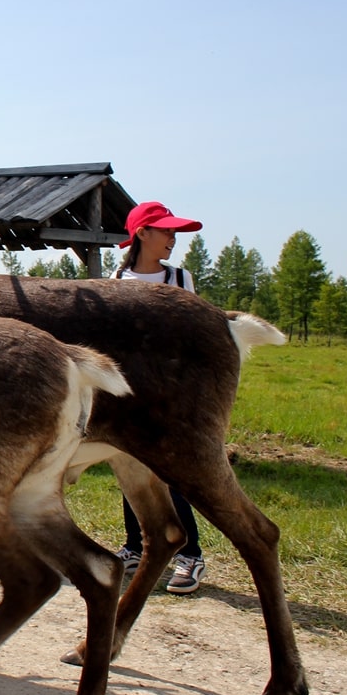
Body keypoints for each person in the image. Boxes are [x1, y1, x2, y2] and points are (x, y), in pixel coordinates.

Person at [113, 200, 208, 594]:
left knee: (170, 476)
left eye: (174, 232)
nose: (172, 238)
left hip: (170, 396)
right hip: (128, 395)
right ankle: (135, 546)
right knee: (129, 472)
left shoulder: (181, 280)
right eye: (166, 230)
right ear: (142, 234)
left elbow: (195, 339)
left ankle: (190, 555)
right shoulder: (116, 281)